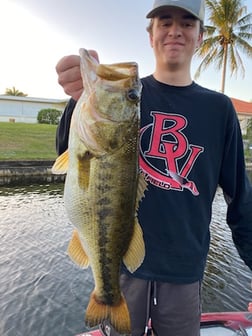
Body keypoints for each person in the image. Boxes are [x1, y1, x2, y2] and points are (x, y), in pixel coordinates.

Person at [55, 0, 252, 335]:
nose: (175, 30)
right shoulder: (124, 95)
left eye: (187, 24)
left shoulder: (219, 109)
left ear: (200, 36)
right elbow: (68, 154)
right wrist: (77, 101)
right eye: (164, 22)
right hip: (124, 265)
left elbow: (241, 199)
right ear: (150, 35)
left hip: (184, 268)